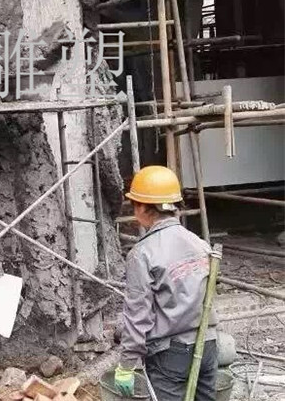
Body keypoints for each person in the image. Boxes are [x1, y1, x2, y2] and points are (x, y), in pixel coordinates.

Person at [115, 165, 217, 401]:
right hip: (208, 343)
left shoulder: (142, 254)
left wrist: (127, 364)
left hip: (171, 353)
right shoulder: (200, 244)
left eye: (134, 205)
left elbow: (138, 315)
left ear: (142, 207)